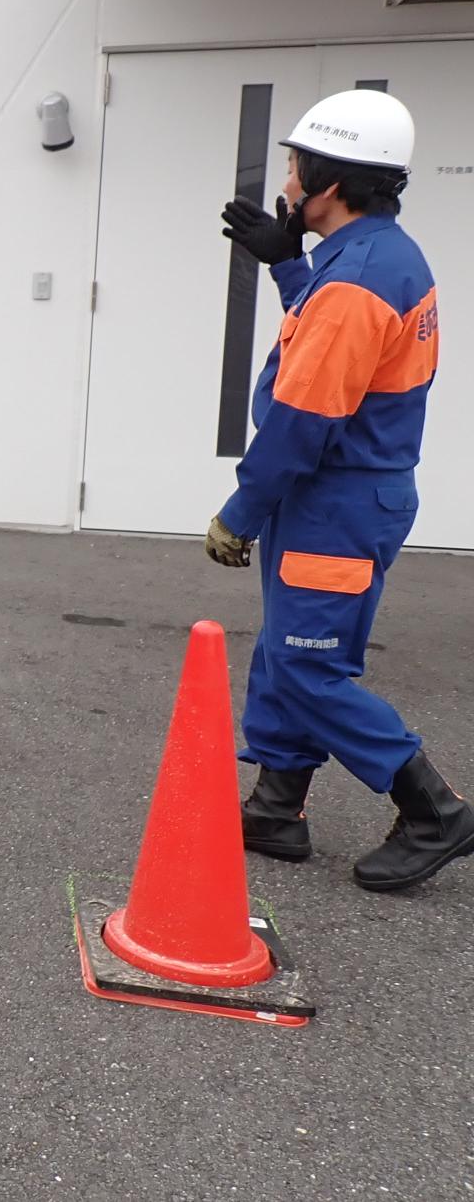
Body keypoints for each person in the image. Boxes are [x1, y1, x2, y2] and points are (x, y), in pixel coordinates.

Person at [213, 88, 471, 892]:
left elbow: (304, 419)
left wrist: (240, 512)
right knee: (288, 652)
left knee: (307, 666)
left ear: (330, 183)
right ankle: (275, 809)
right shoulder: (376, 257)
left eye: (296, 167)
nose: (287, 182)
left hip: (336, 498)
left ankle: (435, 810)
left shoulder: (360, 277)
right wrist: (288, 265)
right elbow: (333, 346)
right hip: (336, 494)